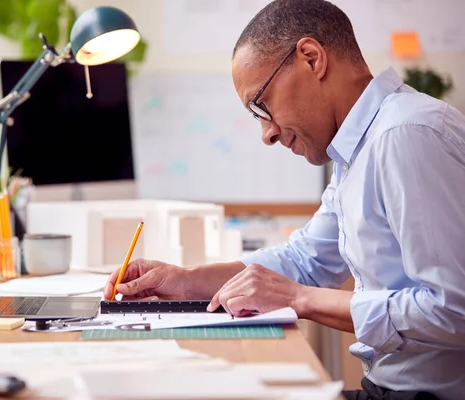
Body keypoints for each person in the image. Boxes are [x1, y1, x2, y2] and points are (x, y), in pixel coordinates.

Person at [103, 1, 465, 399]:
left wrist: (300, 299)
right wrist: (187, 281)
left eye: (262, 104)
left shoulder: (407, 134)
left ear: (311, 58)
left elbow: (455, 310)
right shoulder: (356, 149)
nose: (267, 134)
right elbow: (305, 260)